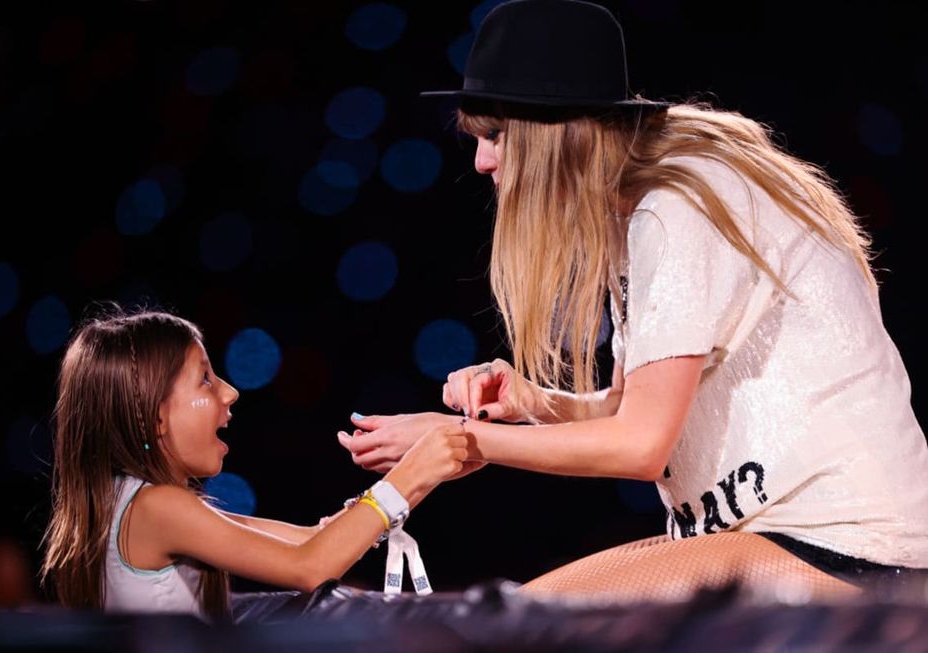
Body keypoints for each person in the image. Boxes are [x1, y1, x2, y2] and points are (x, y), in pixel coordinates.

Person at [338, 0, 928, 600]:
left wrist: (457, 440)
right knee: (509, 617)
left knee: (512, 623)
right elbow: (634, 410)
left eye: (495, 135)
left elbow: (642, 446)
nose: (481, 160)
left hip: (846, 546)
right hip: (778, 536)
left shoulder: (676, 210)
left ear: (557, 134)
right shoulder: (643, 208)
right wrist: (535, 401)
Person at [41, 308, 470, 622]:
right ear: (150, 417)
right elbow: (309, 568)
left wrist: (425, 469)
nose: (230, 393)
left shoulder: (136, 503)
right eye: (205, 380)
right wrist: (410, 474)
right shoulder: (157, 508)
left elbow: (312, 541)